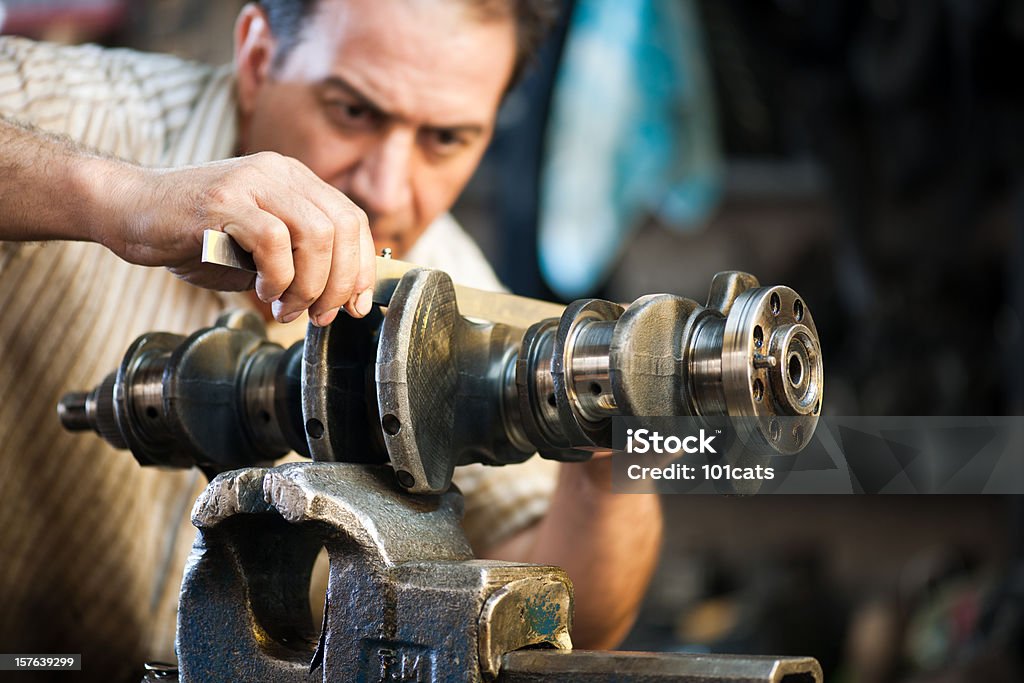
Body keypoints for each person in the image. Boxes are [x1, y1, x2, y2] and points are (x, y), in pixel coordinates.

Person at [0, 0, 663, 678]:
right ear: (259, 59)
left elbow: (563, 611)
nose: (386, 189)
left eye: (445, 139)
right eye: (353, 111)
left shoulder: (451, 293)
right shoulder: (71, 112)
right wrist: (116, 199)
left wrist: (615, 461)